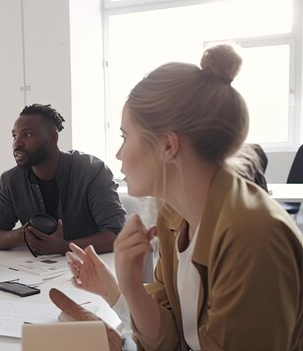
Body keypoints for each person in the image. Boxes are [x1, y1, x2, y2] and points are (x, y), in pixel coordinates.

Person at [67, 44, 303, 350]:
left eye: (125, 137)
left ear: (168, 146)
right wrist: (128, 286)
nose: (119, 153)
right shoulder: (174, 217)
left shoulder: (253, 236)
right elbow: (172, 339)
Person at [0, 104, 126, 255]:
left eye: (27, 135)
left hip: (89, 267)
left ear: (52, 138)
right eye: (15, 136)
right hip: (36, 271)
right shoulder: (10, 180)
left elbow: (117, 235)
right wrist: (24, 233)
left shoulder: (92, 170)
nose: (17, 143)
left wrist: (63, 246)